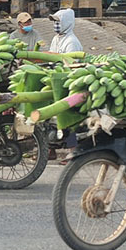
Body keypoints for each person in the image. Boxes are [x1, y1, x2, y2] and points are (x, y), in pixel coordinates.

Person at [47, 9, 82, 163]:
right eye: (54, 22)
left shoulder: (72, 41)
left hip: (69, 82)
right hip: (56, 80)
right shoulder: (56, 39)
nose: (56, 25)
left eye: (58, 22)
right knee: (49, 117)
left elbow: (70, 64)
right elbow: (50, 57)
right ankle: (49, 149)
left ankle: (73, 151)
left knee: (67, 118)